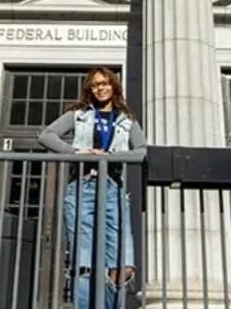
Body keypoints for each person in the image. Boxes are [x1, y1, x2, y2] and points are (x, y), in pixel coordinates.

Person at [38, 67, 146, 309]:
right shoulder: (79, 115)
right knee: (84, 262)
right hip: (83, 187)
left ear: (114, 86)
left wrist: (112, 156)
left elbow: (141, 151)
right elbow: (46, 136)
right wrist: (76, 152)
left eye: (105, 83)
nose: (100, 88)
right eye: (96, 84)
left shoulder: (126, 119)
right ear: (90, 89)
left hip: (113, 189)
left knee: (123, 264)